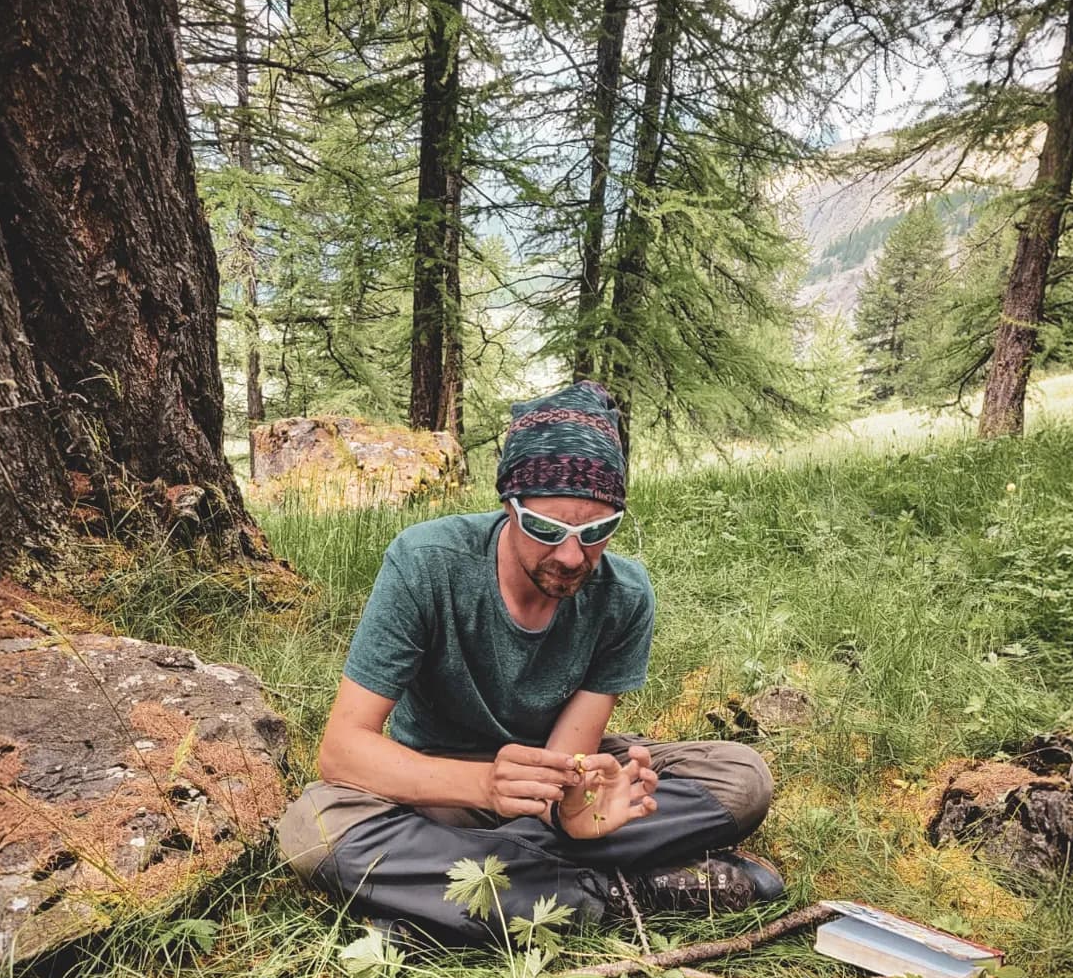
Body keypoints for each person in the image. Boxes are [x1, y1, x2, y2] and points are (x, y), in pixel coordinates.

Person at [278, 380, 783, 946]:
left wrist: (573, 809)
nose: (571, 555)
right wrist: (485, 786)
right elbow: (342, 750)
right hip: (443, 788)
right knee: (312, 826)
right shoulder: (425, 563)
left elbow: (569, 759)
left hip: (551, 774)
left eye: (597, 532)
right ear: (508, 505)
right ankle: (624, 891)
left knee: (740, 778)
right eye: (546, 529)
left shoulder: (624, 596)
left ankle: (462, 896)